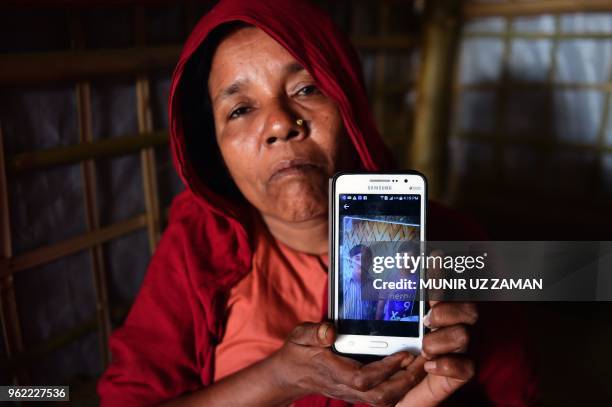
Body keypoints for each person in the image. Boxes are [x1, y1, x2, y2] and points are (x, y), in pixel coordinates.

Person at [98, 0, 538, 406]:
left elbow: (517, 395)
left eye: (306, 89)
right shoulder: (198, 242)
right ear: (212, 149)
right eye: (239, 110)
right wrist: (282, 377)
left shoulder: (453, 243)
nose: (279, 124)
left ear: (351, 108)